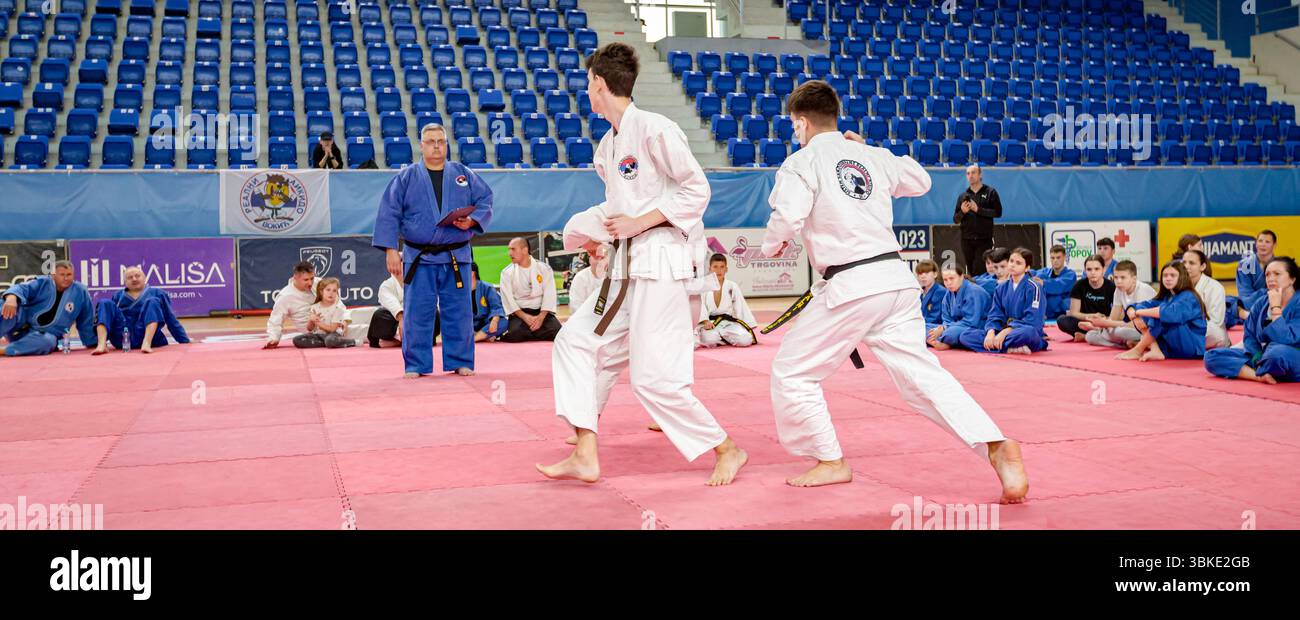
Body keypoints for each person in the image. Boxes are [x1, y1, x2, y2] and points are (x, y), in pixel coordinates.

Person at [760, 80, 1027, 501]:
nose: (796, 133)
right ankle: (993, 443)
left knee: (793, 371)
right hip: (895, 283)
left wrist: (770, 245)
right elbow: (920, 180)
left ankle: (829, 458)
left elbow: (787, 218)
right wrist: (867, 150)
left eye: (794, 126)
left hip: (852, 286)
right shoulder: (871, 155)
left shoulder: (801, 162)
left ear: (801, 122)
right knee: (922, 378)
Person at [537, 42, 749, 487]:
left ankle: (727, 448)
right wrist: (589, 232)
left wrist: (638, 221)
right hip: (625, 268)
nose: (586, 92)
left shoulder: (656, 129)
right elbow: (617, 207)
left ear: (598, 83)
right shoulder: (608, 145)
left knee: (652, 381)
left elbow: (697, 190)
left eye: (588, 84)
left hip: (660, 266)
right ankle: (585, 450)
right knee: (573, 342)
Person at [372, 122, 494, 377]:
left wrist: (472, 221)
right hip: (419, 256)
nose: (437, 146)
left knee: (459, 312)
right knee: (417, 313)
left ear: (446, 144)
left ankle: (461, 360)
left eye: (441, 141)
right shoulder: (406, 177)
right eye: (431, 141)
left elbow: (485, 199)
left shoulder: (463, 174)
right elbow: (389, 213)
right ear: (421, 145)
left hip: (456, 255)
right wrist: (390, 250)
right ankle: (416, 364)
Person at [1206, 256, 1300, 383]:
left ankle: (1263, 367)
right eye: (1267, 274)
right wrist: (1256, 358)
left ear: (1292, 279)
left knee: (1276, 353)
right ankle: (1258, 375)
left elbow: (1286, 340)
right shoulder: (1262, 302)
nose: (1271, 278)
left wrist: (1276, 308)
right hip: (1262, 357)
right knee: (1211, 357)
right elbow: (1249, 336)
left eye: (1277, 274)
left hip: (1289, 355)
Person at [959, 247, 1047, 355]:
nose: (1013, 265)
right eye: (1011, 261)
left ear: (1027, 268)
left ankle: (999, 347)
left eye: (1018, 263)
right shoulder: (1001, 288)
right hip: (1003, 333)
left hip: (1023, 333)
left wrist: (1006, 331)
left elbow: (1033, 321)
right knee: (965, 335)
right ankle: (1009, 348)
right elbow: (994, 314)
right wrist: (991, 332)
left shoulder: (1034, 288)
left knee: (1028, 333)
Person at [0, 260, 96, 356]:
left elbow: (86, 319)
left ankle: (4, 351)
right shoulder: (42, 282)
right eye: (62, 275)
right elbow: (21, 288)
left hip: (42, 338)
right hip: (19, 328)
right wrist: (11, 298)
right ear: (53, 275)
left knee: (48, 342)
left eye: (69, 274)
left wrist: (91, 341)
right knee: (7, 305)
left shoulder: (80, 292)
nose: (66, 278)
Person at [1116, 261, 1207, 361]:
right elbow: (1145, 304)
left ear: (1182, 277)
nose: (1168, 278)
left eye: (1173, 275)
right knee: (1147, 314)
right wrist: (1132, 310)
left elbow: (1170, 314)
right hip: (1170, 349)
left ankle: (1138, 349)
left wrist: (1139, 312)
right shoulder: (1167, 296)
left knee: (1162, 316)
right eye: (1165, 275)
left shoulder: (1189, 296)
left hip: (1191, 348)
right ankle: (1155, 349)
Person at [91, 265, 190, 355]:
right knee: (104, 303)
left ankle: (146, 343)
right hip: (123, 338)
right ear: (125, 282)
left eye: (137, 276)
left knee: (152, 301)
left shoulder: (158, 293)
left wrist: (185, 341)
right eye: (130, 277)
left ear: (144, 278)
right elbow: (108, 319)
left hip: (148, 336)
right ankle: (101, 345)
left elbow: (170, 319)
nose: (134, 279)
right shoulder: (117, 296)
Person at [499, 237, 562, 342]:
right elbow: (508, 300)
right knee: (515, 335)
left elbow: (549, 294)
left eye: (513, 249)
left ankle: (533, 331)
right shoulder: (507, 273)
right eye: (509, 249)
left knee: (558, 332)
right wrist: (525, 317)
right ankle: (536, 331)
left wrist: (541, 317)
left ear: (525, 250)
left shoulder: (544, 269)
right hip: (520, 313)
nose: (510, 253)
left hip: (541, 311)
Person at [1083, 260, 1157, 348]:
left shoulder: (1143, 290)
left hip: (1147, 330)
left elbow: (1139, 324)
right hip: (1128, 329)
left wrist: (1106, 323)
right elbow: (1113, 318)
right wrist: (1099, 323)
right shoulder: (1118, 290)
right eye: (1116, 277)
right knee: (1090, 336)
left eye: (1123, 277)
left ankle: (1132, 342)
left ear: (1133, 279)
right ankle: (1128, 344)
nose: (1118, 281)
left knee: (1119, 332)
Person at [696, 253, 758, 348]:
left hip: (728, 323)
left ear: (726, 269)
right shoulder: (704, 286)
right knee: (710, 340)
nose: (718, 270)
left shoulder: (732, 286)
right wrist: (704, 321)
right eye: (715, 267)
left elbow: (740, 305)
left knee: (746, 339)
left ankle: (721, 338)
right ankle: (724, 338)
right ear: (710, 269)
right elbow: (700, 306)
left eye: (722, 267)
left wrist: (748, 324)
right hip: (710, 323)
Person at [952, 164, 1002, 277]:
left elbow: (998, 213)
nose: (970, 176)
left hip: (984, 239)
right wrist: (962, 212)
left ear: (980, 174)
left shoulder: (990, 192)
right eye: (968, 173)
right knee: (971, 270)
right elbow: (955, 219)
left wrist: (978, 209)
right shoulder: (963, 196)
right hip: (966, 240)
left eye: (973, 172)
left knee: (980, 269)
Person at [927, 264, 991, 351]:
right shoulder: (948, 293)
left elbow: (971, 322)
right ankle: (942, 340)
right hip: (953, 327)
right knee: (922, 327)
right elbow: (946, 318)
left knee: (951, 333)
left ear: (961, 277)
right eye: (945, 280)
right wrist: (942, 327)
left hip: (975, 328)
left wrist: (944, 328)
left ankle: (943, 342)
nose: (948, 283)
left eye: (952, 278)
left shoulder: (974, 291)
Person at [1055, 255, 1115, 341]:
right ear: (1085, 271)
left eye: (1096, 269)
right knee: (1062, 320)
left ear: (1103, 269)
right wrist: (1092, 316)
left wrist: (1104, 320)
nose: (1093, 272)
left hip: (1104, 322)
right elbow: (1074, 313)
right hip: (1084, 322)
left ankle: (1087, 335)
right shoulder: (1079, 285)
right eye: (1089, 269)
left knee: (1118, 326)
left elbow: (1117, 313)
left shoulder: (1111, 286)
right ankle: (1095, 333)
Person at [263, 261, 320, 348]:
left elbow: (337, 303)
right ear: (295, 278)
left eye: (312, 278)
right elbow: (276, 319)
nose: (310, 283)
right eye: (306, 280)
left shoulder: (319, 283)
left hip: (331, 324)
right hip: (312, 334)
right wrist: (274, 338)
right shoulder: (285, 296)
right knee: (298, 340)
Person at [1227, 230, 1276, 328]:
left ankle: (1249, 316)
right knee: (1226, 301)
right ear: (1256, 244)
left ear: (1274, 245)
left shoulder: (1280, 265)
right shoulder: (1245, 265)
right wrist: (1265, 293)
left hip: (1274, 304)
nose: (1263, 244)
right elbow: (1245, 295)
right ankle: (1249, 316)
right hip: (1250, 304)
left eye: (1267, 242)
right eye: (1260, 241)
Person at [1183, 249, 1231, 350]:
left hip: (1207, 334)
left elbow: (1216, 321)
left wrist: (1188, 326)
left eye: (1191, 263)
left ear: (1202, 267)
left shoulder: (1215, 287)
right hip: (1185, 332)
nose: (1186, 266)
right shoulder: (1178, 285)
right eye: (1184, 262)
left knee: (1217, 333)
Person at [293, 278, 356, 348]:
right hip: (318, 335)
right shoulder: (314, 307)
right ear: (321, 291)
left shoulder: (337, 308)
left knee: (330, 340)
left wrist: (318, 323)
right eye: (328, 290)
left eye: (334, 291)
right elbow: (309, 329)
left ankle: (352, 341)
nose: (331, 293)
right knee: (297, 340)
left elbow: (332, 329)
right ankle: (328, 343)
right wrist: (311, 320)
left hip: (333, 334)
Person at [1032, 244, 1077, 320]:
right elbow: (1032, 273)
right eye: (1052, 258)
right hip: (1044, 315)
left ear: (1064, 257)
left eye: (1058, 258)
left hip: (1060, 315)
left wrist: (1043, 283)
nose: (1055, 260)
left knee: (1061, 299)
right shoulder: (1044, 271)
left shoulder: (1071, 275)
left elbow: (1058, 286)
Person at [470, 262, 507, 342]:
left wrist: (494, 321)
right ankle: (484, 336)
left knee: (504, 322)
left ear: (472, 273)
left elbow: (496, 307)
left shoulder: (487, 287)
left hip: (487, 323)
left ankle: (474, 339)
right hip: (470, 325)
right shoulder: (459, 291)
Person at [368, 275, 404, 348]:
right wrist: (401, 317)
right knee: (379, 314)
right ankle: (388, 339)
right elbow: (390, 301)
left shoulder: (419, 281)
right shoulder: (387, 285)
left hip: (413, 316)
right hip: (394, 320)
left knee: (432, 312)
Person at [915, 259, 947, 332]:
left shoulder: (940, 291)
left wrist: (916, 324)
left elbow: (935, 318)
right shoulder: (919, 293)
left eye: (926, 273)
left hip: (935, 328)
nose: (923, 276)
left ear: (935, 274)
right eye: (920, 273)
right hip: (923, 326)